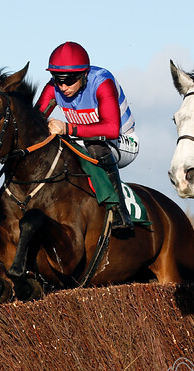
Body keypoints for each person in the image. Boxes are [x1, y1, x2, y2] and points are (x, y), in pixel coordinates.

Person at [35, 41, 139, 231]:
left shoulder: (102, 82)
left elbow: (111, 129)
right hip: (83, 139)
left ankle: (118, 210)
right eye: (58, 79)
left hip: (122, 141)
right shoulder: (54, 87)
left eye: (69, 80)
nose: (63, 86)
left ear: (84, 75)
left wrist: (67, 128)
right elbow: (34, 122)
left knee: (95, 145)